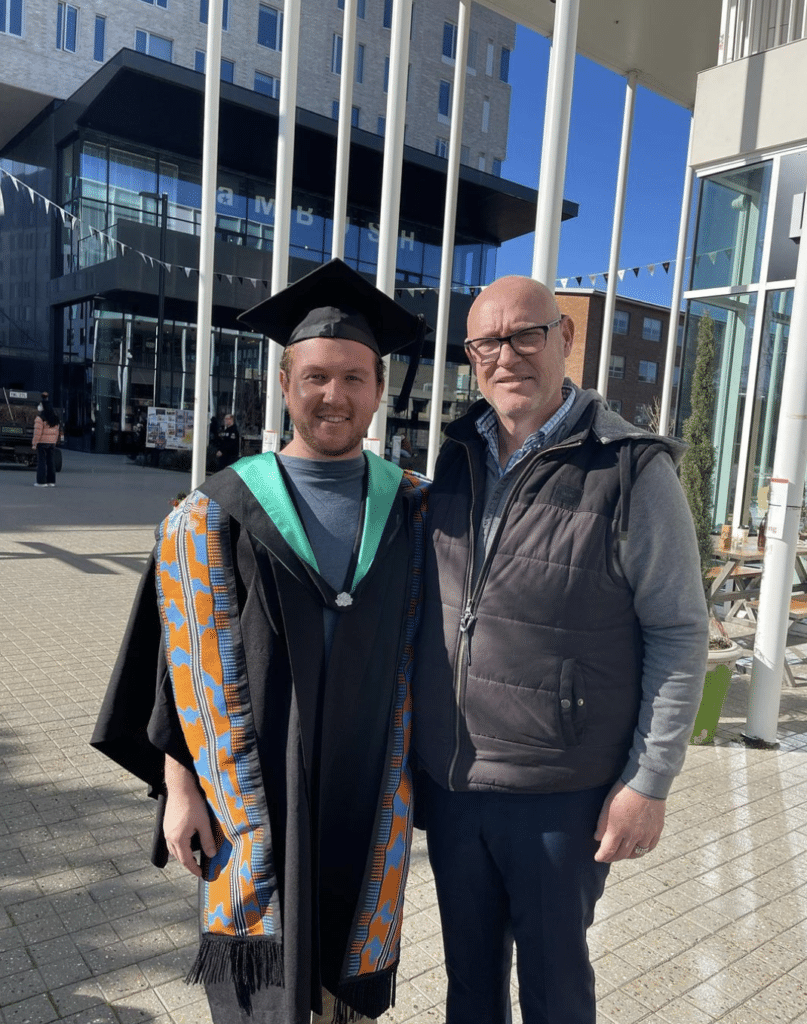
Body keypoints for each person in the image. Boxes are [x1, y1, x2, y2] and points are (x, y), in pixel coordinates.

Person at [92, 259, 429, 1024]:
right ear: (284, 385)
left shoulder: (415, 512)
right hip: (255, 796)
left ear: (377, 389)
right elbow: (173, 670)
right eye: (314, 377)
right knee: (256, 1001)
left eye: (352, 377)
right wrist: (179, 792)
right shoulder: (212, 516)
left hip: (369, 795)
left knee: (347, 996)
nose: (333, 395)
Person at [413, 275, 709, 1024]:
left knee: (553, 991)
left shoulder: (633, 469)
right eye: (486, 342)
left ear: (565, 339)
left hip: (560, 792)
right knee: (468, 986)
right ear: (470, 355)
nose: (505, 355)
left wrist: (649, 781)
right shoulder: (451, 459)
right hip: (454, 786)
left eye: (525, 335)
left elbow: (677, 630)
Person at [32, 392, 59, 487]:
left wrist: (34, 443)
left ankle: (41, 482)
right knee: (51, 462)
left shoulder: (40, 418)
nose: (39, 407)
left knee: (42, 462)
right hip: (51, 443)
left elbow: (37, 432)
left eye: (40, 405)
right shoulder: (55, 418)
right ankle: (51, 481)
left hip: (42, 443)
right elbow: (57, 432)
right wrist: (54, 441)